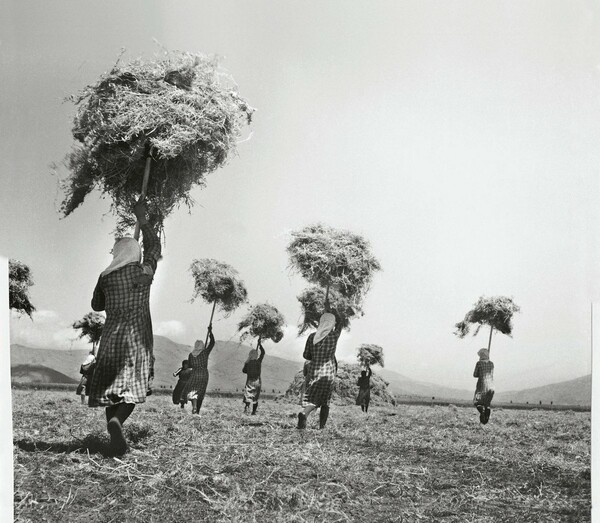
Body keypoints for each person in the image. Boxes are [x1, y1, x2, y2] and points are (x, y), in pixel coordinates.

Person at [87, 198, 161, 455]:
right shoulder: (143, 271)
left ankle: (112, 434)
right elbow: (154, 245)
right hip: (135, 338)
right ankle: (118, 422)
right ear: (135, 253)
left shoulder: (105, 277)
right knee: (131, 386)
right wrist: (142, 218)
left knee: (111, 388)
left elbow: (97, 305)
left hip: (110, 339)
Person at [297, 306, 343, 430]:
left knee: (312, 398)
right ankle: (321, 427)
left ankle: (304, 413)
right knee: (325, 401)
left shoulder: (312, 337)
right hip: (328, 373)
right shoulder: (334, 336)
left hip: (314, 372)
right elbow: (341, 323)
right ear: (332, 324)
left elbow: (306, 355)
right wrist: (336, 310)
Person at [182, 326, 215, 414]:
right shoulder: (205, 353)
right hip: (204, 374)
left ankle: (194, 407)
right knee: (200, 392)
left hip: (194, 374)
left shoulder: (191, 355)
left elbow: (189, 365)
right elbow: (212, 343)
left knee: (193, 391)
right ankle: (197, 411)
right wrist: (210, 333)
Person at [242, 340, 265, 414]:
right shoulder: (258, 362)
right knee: (255, 396)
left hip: (249, 381)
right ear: (256, 355)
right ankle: (253, 411)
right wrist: (260, 345)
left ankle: (246, 408)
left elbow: (244, 371)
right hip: (257, 381)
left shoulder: (247, 363)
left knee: (248, 395)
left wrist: (247, 364)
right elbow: (263, 353)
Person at [473, 348, 495, 424]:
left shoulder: (479, 363)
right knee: (487, 404)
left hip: (481, 386)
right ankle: (486, 419)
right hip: (491, 386)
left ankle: (482, 412)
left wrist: (481, 373)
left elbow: (475, 375)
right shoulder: (491, 364)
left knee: (477, 402)